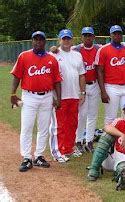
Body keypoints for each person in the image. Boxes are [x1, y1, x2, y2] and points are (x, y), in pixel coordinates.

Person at [10, 31, 62, 171]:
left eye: (41, 40)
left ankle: (39, 156)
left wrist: (59, 98)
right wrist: (13, 93)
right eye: (35, 39)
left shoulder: (52, 60)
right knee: (27, 126)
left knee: (44, 127)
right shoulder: (24, 56)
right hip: (29, 96)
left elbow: (57, 81)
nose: (38, 42)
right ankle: (26, 157)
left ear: (45, 42)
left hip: (47, 96)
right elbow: (16, 76)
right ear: (32, 41)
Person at [87, 101, 125, 190]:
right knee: (107, 135)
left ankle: (122, 178)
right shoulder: (120, 122)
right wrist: (122, 135)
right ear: (124, 113)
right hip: (110, 157)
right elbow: (106, 127)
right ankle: (94, 169)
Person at [49, 29, 86, 162]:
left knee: (72, 123)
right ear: (59, 40)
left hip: (74, 95)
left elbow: (82, 75)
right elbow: (50, 76)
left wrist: (82, 92)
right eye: (63, 38)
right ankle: (60, 150)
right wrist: (52, 96)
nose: (66, 41)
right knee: (60, 125)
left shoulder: (77, 55)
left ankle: (70, 148)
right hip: (60, 96)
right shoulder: (53, 54)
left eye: (68, 38)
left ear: (72, 40)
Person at [94, 25, 125, 124]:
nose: (117, 35)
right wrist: (103, 91)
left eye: (119, 33)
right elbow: (99, 71)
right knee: (110, 117)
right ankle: (108, 139)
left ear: (122, 35)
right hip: (111, 86)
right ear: (110, 35)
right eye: (114, 33)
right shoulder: (103, 50)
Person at [74, 27, 101, 153]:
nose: (87, 37)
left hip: (94, 85)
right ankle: (78, 141)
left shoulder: (98, 48)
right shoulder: (76, 49)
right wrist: (55, 49)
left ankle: (89, 141)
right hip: (81, 87)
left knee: (92, 115)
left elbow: (117, 44)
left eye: (89, 35)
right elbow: (60, 50)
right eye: (85, 35)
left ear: (93, 37)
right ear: (81, 37)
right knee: (82, 115)